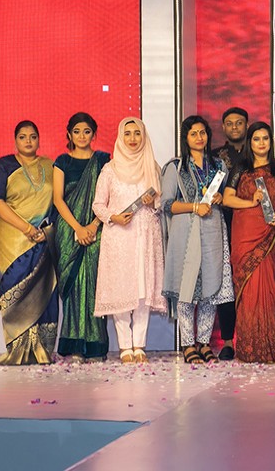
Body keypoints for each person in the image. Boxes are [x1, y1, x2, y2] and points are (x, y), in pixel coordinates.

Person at [92, 118, 166, 364]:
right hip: (119, 237)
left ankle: (139, 345)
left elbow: (160, 204)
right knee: (121, 289)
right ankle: (125, 346)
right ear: (120, 137)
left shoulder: (152, 167)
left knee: (144, 291)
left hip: (146, 235)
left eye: (137, 133)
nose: (133, 139)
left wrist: (152, 203)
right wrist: (113, 217)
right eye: (128, 134)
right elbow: (98, 205)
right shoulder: (110, 169)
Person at [161, 115, 233, 365]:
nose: (200, 138)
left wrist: (219, 200)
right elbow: (167, 205)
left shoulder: (219, 166)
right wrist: (194, 206)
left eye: (203, 133)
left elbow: (222, 197)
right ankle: (187, 345)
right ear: (186, 138)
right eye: (194, 133)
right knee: (186, 290)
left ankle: (203, 343)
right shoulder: (175, 167)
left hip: (212, 231)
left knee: (210, 290)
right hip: (186, 233)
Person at [222, 121, 275, 363]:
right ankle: (250, 346)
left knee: (271, 289)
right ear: (250, 143)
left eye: (265, 138)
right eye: (256, 139)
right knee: (250, 290)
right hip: (246, 236)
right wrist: (252, 201)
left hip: (272, 234)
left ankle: (273, 344)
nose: (261, 143)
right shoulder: (241, 168)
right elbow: (227, 199)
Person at [0, 121, 59, 365]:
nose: (28, 141)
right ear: (15, 140)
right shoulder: (4, 165)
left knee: (44, 293)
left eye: (32, 136)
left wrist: (43, 230)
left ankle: (41, 350)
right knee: (14, 288)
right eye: (22, 137)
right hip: (13, 239)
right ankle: (18, 349)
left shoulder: (50, 165)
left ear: (39, 139)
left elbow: (58, 199)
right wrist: (27, 228)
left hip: (43, 239)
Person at [51, 112, 110, 362]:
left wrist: (94, 225)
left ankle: (96, 346)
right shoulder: (62, 161)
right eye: (77, 131)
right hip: (68, 230)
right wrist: (78, 227)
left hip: (99, 231)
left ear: (94, 134)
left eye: (87, 131)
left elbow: (109, 197)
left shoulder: (104, 160)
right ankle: (73, 345)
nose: (82, 136)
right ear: (69, 135)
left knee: (96, 285)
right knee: (74, 289)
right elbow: (58, 199)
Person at [213, 106, 247, 360]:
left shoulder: (260, 153)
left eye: (239, 123)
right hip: (223, 227)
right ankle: (228, 341)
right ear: (223, 128)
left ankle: (251, 338)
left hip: (254, 228)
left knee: (253, 285)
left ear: (247, 125)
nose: (235, 127)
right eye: (230, 123)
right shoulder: (214, 159)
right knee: (227, 285)